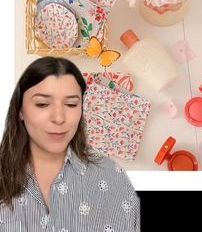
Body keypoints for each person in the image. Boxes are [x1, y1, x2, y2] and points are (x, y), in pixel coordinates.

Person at [0, 57, 140, 231]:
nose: (59, 118)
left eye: (71, 104)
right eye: (42, 104)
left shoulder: (112, 177)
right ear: (20, 110)